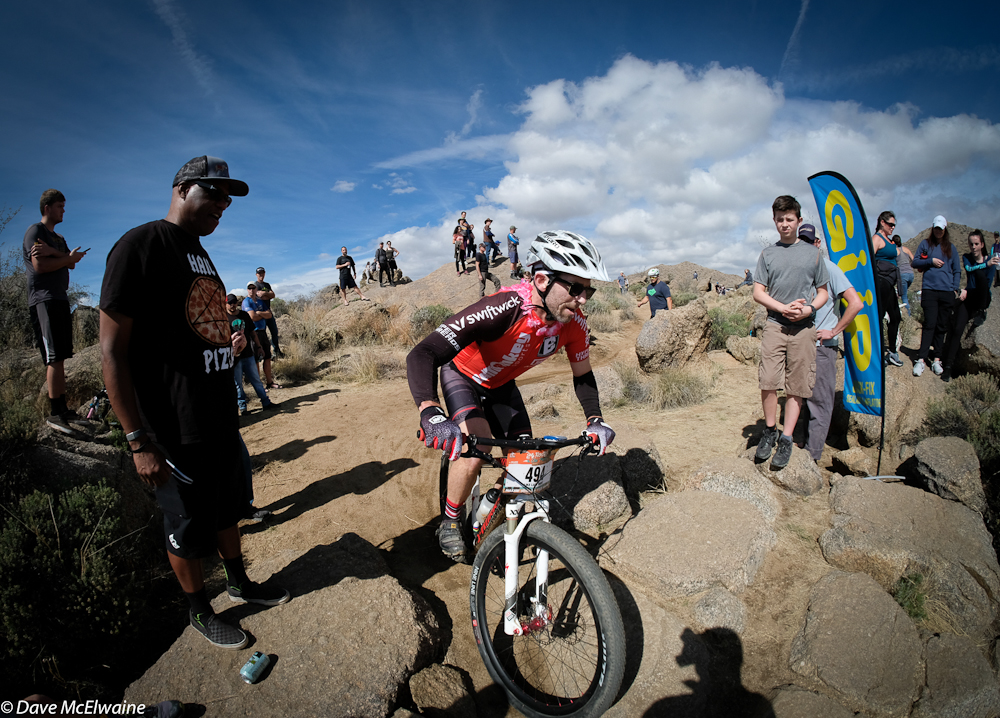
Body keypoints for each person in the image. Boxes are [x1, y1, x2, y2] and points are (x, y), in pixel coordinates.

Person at [99, 155, 289, 651]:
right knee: (184, 521)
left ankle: (238, 583)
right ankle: (198, 611)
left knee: (227, 507)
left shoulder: (200, 253)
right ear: (183, 188)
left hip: (217, 416)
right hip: (171, 425)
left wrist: (230, 346)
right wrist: (138, 439)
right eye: (216, 193)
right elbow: (112, 351)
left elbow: (196, 327)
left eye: (230, 199)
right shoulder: (139, 246)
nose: (224, 205)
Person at [407, 230, 616, 561]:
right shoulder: (504, 307)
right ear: (543, 280)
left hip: (501, 385)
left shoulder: (574, 324)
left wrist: (595, 420)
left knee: (526, 461)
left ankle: (491, 507)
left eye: (588, 289)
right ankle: (448, 520)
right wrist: (430, 411)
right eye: (575, 289)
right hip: (463, 375)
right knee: (477, 447)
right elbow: (424, 352)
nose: (584, 299)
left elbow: (584, 375)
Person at [752, 195, 830, 470]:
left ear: (798, 220)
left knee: (797, 386)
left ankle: (786, 438)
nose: (784, 224)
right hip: (775, 324)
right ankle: (770, 429)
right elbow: (758, 291)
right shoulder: (768, 255)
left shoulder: (813, 254)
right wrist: (782, 308)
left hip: (804, 329)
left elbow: (823, 291)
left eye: (789, 219)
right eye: (780, 220)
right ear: (774, 222)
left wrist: (809, 309)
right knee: (769, 380)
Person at [23, 189, 89, 434]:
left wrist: (56, 254)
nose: (63, 210)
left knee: (61, 356)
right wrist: (62, 257)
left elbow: (70, 262)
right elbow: (40, 265)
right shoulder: (35, 232)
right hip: (43, 299)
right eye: (60, 206)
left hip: (61, 299)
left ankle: (63, 410)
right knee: (53, 356)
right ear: (47, 207)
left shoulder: (58, 238)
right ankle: (54, 413)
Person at [799, 224, 863, 463]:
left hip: (822, 348)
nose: (806, 247)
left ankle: (812, 456)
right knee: (803, 397)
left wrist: (834, 331)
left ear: (817, 244)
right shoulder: (800, 271)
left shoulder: (830, 269)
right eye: (801, 242)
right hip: (802, 346)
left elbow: (855, 303)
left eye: (809, 242)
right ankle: (804, 445)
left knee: (820, 402)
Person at [941, 229, 999, 382]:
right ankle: (948, 367)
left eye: (976, 244)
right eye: (971, 244)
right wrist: (985, 265)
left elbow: (987, 283)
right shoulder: (967, 258)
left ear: (982, 244)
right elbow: (969, 269)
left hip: (983, 297)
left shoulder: (991, 259)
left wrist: (987, 264)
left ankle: (981, 311)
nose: (973, 247)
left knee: (981, 276)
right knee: (958, 329)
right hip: (970, 296)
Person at [911, 215, 961, 377]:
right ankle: (921, 359)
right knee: (929, 324)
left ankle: (937, 360)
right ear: (933, 228)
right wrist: (930, 261)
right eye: (936, 228)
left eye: (941, 229)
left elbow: (957, 270)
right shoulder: (925, 245)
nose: (938, 231)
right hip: (929, 290)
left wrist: (954, 289)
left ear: (945, 229)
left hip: (946, 292)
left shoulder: (951, 248)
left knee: (941, 327)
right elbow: (915, 262)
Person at [226, 294, 277, 415]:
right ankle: (243, 408)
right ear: (225, 304)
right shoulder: (223, 318)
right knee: (238, 383)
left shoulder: (244, 315)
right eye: (230, 303)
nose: (232, 305)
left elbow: (253, 333)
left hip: (248, 354)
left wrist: (259, 347)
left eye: (234, 302)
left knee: (256, 380)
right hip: (234, 357)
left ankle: (266, 402)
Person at [871, 211, 903, 367]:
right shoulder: (877, 239)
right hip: (881, 282)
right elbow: (869, 260)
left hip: (890, 284)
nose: (893, 227)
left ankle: (891, 352)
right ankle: (876, 352)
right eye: (891, 224)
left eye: (894, 225)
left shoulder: (888, 240)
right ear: (882, 223)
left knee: (896, 317)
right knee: (879, 317)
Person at [243, 283, 279, 390]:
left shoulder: (260, 301)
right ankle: (259, 386)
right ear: (247, 290)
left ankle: (270, 382)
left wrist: (259, 313)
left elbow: (269, 314)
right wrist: (261, 315)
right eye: (249, 289)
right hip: (253, 333)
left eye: (254, 288)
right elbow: (252, 317)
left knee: (267, 357)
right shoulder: (246, 302)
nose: (252, 290)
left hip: (263, 332)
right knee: (256, 360)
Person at [253, 266, 283, 359]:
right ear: (256, 274)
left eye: (262, 273)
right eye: (259, 273)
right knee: (262, 334)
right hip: (261, 314)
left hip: (269, 312)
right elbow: (259, 296)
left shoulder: (267, 285)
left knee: (274, 332)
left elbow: (272, 295)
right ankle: (263, 353)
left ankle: (276, 351)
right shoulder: (255, 285)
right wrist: (267, 295)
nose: (261, 275)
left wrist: (265, 294)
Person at [895, 235, 915, 317]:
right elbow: (914, 260)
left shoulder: (894, 251)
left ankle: (908, 316)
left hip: (902, 275)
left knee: (904, 297)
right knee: (903, 293)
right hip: (911, 274)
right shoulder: (906, 249)